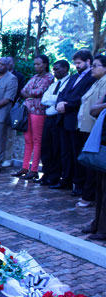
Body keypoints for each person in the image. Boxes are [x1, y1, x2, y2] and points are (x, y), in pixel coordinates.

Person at [50, 49, 96, 195]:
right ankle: (66, 179)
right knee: (65, 152)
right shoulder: (73, 77)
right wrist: (59, 103)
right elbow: (63, 93)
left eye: (79, 63)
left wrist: (67, 105)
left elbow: (83, 97)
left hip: (76, 119)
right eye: (75, 63)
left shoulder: (92, 77)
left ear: (88, 62)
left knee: (76, 152)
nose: (76, 66)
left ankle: (78, 182)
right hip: (63, 118)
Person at [11, 55, 54, 180]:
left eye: (38, 64)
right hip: (27, 111)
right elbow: (23, 90)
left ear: (45, 64)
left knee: (37, 140)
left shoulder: (49, 77)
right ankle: (25, 167)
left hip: (39, 112)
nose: (36, 66)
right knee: (27, 139)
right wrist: (30, 93)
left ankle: (34, 169)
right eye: (35, 64)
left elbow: (39, 92)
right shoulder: (35, 77)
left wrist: (29, 93)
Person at [75, 54, 106, 208]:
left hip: (96, 129)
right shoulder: (96, 82)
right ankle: (88, 194)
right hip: (86, 126)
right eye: (92, 65)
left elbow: (97, 109)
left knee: (95, 164)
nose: (92, 69)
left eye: (96, 66)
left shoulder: (105, 82)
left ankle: (89, 196)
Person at [36, 60, 70, 186]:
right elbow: (44, 99)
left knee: (56, 148)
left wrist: (55, 100)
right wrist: (54, 100)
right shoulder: (54, 85)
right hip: (48, 118)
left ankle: (55, 176)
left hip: (58, 118)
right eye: (54, 69)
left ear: (65, 69)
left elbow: (62, 98)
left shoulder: (69, 82)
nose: (55, 72)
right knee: (46, 147)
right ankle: (47, 173)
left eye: (58, 69)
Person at [81, 98, 106, 240]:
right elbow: (93, 110)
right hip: (101, 144)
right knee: (100, 188)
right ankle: (97, 224)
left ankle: (103, 230)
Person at [3, 57, 26, 168]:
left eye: (10, 62)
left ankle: (8, 157)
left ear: (13, 63)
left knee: (10, 134)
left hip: (12, 109)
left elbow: (21, 93)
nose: (7, 64)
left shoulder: (19, 76)